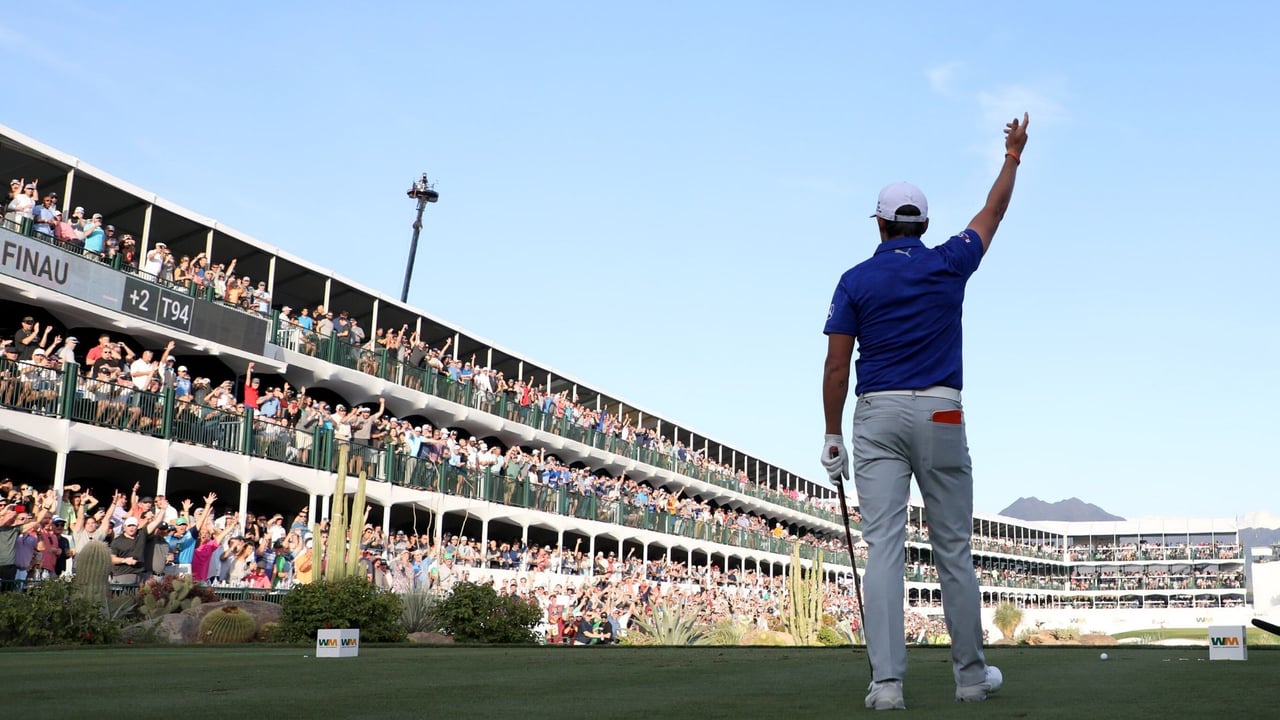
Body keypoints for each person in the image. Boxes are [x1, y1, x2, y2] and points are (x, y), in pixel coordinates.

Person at [820, 113, 1028, 710]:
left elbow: (837, 367)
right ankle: (968, 677)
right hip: (941, 412)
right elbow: (993, 212)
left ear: (880, 224)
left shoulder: (854, 279)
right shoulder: (947, 262)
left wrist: (831, 433)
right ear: (925, 224)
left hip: (876, 415)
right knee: (952, 547)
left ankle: (887, 685)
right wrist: (1012, 156)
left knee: (883, 548)